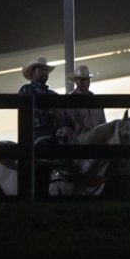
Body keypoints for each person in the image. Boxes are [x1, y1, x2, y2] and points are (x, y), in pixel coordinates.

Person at [18, 56, 62, 197]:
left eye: (46, 70)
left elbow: (64, 116)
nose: (44, 72)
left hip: (52, 134)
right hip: (36, 133)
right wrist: (51, 115)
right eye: (41, 69)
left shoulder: (53, 94)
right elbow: (29, 114)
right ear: (33, 72)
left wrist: (65, 124)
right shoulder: (26, 90)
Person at [58, 64, 107, 141]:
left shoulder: (95, 99)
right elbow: (70, 124)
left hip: (97, 140)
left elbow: (102, 122)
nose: (84, 82)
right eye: (81, 79)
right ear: (76, 81)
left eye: (86, 79)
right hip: (79, 141)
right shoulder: (69, 99)